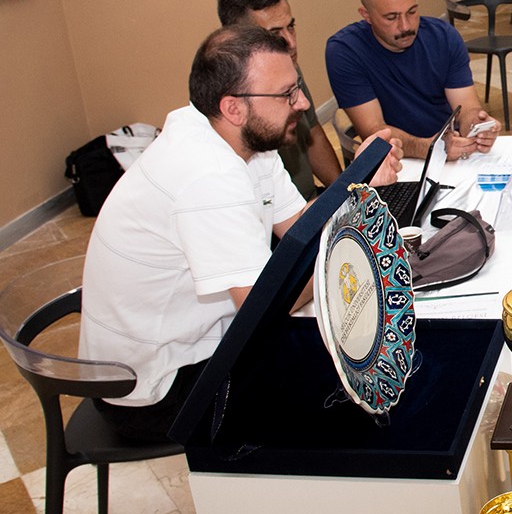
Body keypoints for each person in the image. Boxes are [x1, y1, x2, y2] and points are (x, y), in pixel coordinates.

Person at [79, 24, 404, 441]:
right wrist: (355, 202)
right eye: (287, 94)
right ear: (233, 107)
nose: (303, 103)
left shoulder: (237, 135)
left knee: (354, 346)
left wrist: (353, 187)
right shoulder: (207, 177)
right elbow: (264, 309)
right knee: (346, 401)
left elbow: (297, 230)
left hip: (191, 347)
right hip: (156, 390)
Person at [325, 0, 500, 161]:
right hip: (394, 161)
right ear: (367, 16)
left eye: (412, 11)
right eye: (391, 17)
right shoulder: (345, 51)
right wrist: (434, 148)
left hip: (446, 152)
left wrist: (477, 127)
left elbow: (466, 108)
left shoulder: (444, 38)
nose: (406, 26)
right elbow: (375, 132)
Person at [217, 0, 342, 200]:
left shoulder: (287, 68)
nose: (291, 43)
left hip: (310, 203)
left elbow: (312, 131)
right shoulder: (230, 104)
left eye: (291, 27)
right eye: (275, 34)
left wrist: (343, 195)